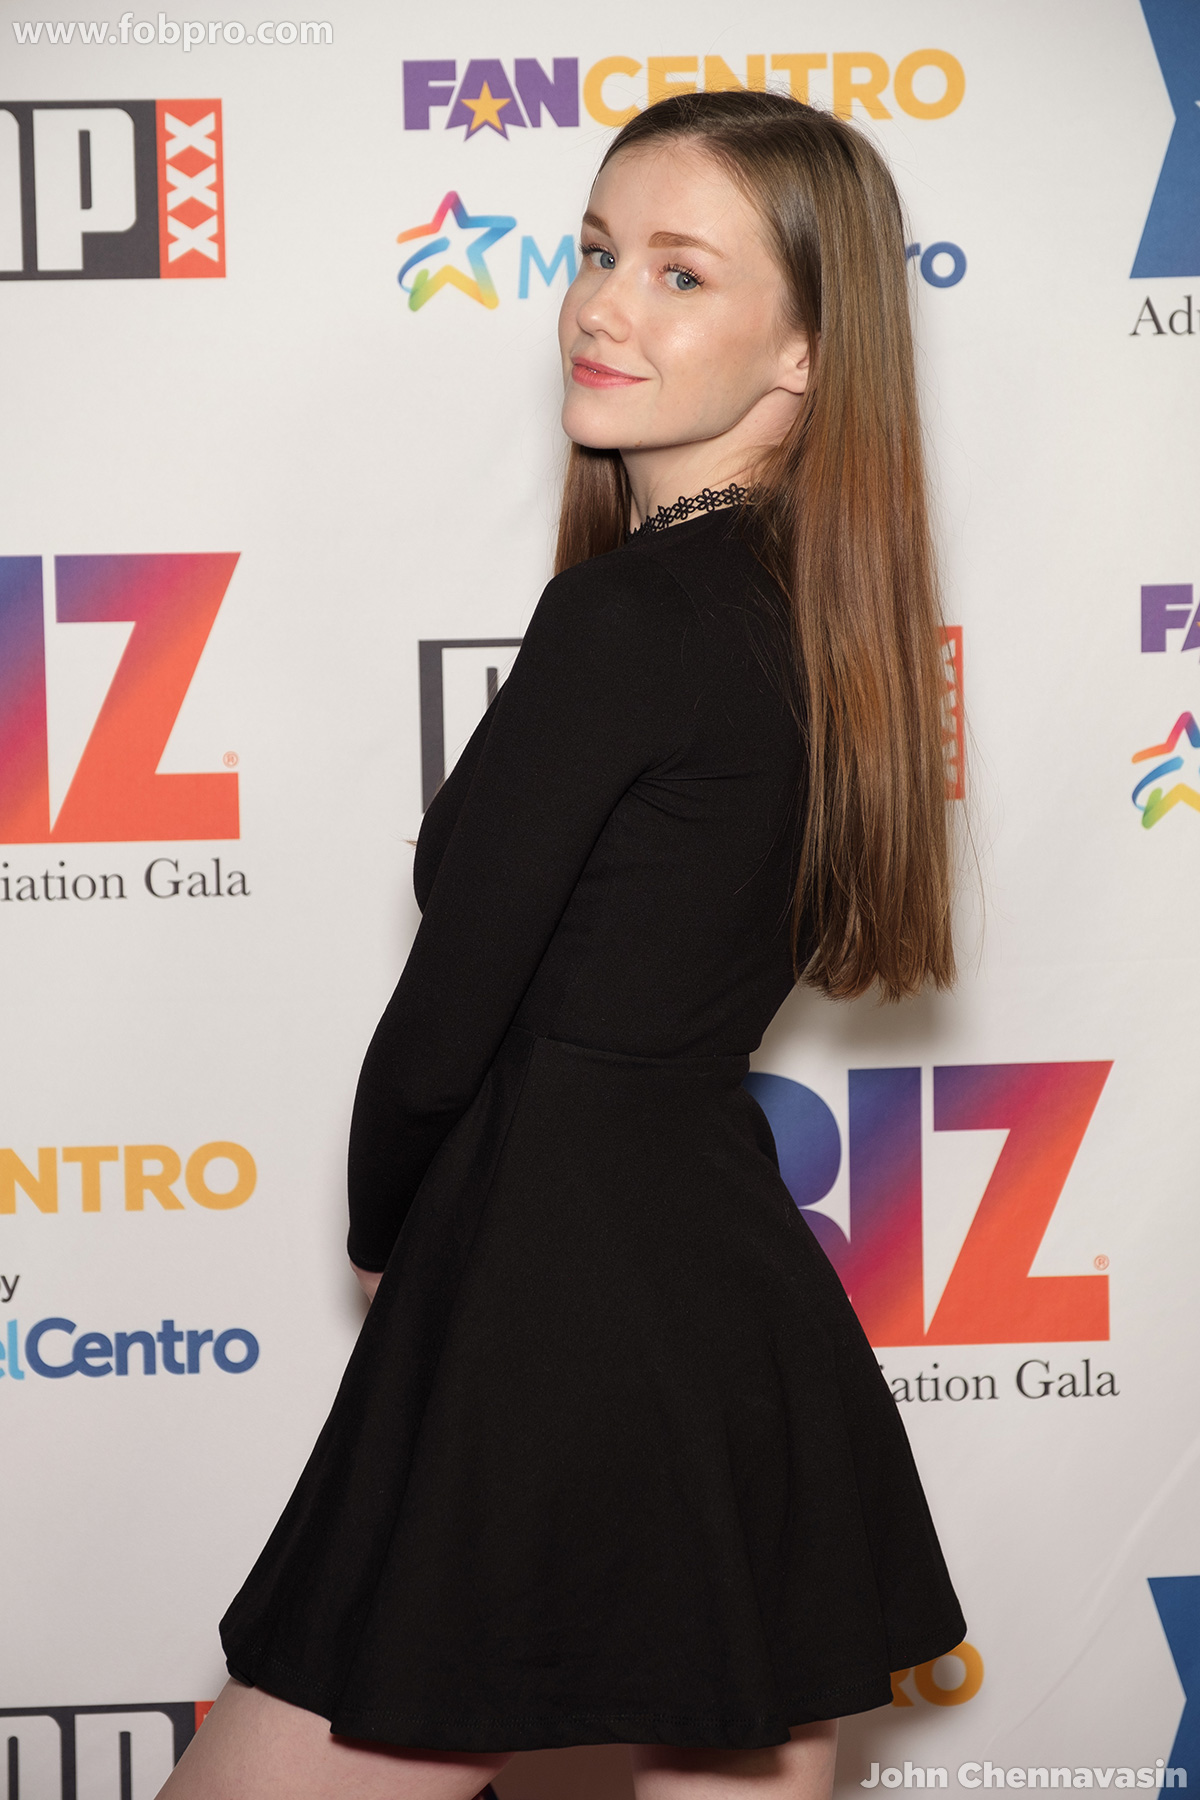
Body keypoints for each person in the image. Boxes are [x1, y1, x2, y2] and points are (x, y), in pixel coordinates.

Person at [159, 89, 965, 1800]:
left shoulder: (630, 617)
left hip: (549, 1286)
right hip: (724, 1305)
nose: (602, 304)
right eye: (598, 252)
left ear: (808, 350)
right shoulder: (819, 616)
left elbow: (450, 1015)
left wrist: (391, 1228)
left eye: (681, 273)